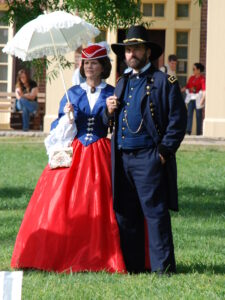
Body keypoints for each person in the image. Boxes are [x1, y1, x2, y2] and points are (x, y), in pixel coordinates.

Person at [11, 44, 125, 273]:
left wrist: (111, 113)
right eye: (86, 63)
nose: (89, 67)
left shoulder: (113, 92)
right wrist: (68, 118)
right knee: (63, 204)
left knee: (103, 204)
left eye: (94, 63)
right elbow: (58, 131)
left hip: (102, 152)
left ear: (103, 66)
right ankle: (62, 253)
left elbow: (114, 125)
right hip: (75, 151)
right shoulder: (72, 93)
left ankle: (102, 255)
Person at [104, 25, 187, 274]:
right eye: (128, 49)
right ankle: (134, 267)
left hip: (149, 158)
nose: (132, 54)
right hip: (122, 158)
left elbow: (177, 120)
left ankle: (163, 269)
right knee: (126, 214)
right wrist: (109, 111)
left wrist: (163, 152)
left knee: (155, 214)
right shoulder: (122, 82)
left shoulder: (164, 81)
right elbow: (112, 122)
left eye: (137, 48)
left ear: (148, 52)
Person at [184, 63, 206, 135]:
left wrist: (203, 98)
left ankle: (198, 132)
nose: (193, 70)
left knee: (198, 116)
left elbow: (204, 89)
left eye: (194, 69)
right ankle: (188, 131)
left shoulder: (202, 79)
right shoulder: (191, 78)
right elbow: (187, 87)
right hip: (191, 99)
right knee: (189, 114)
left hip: (198, 99)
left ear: (198, 70)